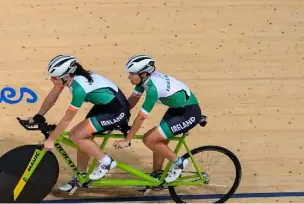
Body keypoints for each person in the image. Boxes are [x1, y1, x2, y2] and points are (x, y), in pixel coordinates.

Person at [31, 55, 131, 192]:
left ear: (66, 76)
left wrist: (51, 139)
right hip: (103, 107)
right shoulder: (70, 78)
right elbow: (53, 95)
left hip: (116, 111)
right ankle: (81, 175)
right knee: (82, 138)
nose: (52, 80)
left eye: (55, 77)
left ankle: (106, 162)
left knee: (76, 135)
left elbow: (67, 118)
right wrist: (39, 115)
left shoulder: (79, 88)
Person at [113, 55, 203, 184]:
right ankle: (157, 176)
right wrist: (118, 115)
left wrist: (128, 140)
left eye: (132, 74)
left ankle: (179, 162)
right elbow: (132, 101)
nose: (129, 77)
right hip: (176, 109)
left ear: (143, 73)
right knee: (158, 140)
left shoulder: (153, 88)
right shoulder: (143, 81)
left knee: (149, 139)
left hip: (188, 113)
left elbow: (141, 117)